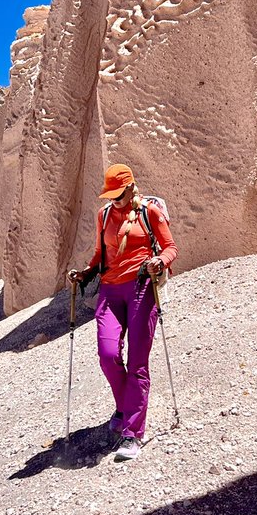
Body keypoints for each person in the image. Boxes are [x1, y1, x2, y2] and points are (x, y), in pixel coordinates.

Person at [68, 163, 178, 462]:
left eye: (119, 193)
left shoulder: (150, 212)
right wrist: (85, 272)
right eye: (111, 194)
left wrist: (159, 262)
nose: (114, 199)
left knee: (138, 361)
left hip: (142, 288)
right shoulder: (103, 216)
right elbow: (99, 254)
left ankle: (132, 433)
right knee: (107, 355)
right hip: (110, 291)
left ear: (131, 187)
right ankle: (125, 406)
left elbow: (170, 248)